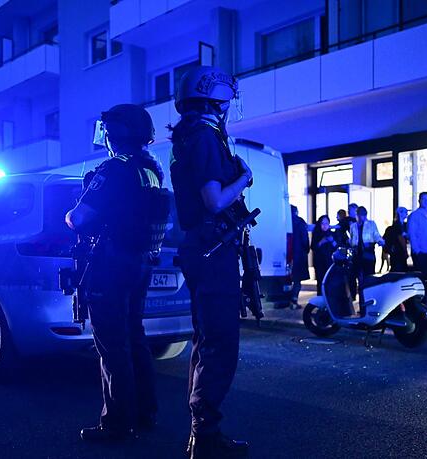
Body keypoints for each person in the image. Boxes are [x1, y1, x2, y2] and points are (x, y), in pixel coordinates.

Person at [65, 104, 170, 442]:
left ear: (114, 135)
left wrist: (72, 209)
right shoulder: (151, 169)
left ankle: (116, 423)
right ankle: (145, 413)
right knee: (134, 338)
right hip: (139, 262)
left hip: (110, 264)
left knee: (111, 345)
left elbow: (78, 219)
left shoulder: (113, 169)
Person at [168, 65, 249, 458]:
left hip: (203, 249)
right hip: (212, 250)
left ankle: (204, 433)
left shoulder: (190, 136)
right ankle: (205, 438)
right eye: (228, 99)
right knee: (219, 344)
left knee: (206, 343)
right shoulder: (204, 138)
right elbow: (215, 200)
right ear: (216, 98)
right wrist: (244, 179)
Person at [407, 192, 427, 306]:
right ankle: (421, 300)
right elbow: (412, 233)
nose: (426, 201)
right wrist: (417, 250)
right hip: (421, 251)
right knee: (421, 275)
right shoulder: (415, 215)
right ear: (419, 200)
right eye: (424, 199)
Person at [349, 206, 384, 307]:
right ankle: (362, 304)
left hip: (368, 254)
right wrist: (351, 243)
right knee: (360, 280)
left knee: (369, 279)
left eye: (363, 215)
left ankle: (368, 303)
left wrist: (380, 241)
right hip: (357, 255)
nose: (361, 217)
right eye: (359, 215)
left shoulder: (371, 224)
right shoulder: (353, 226)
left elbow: (376, 235)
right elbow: (352, 239)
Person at [289, 205, 310, 309]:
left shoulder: (286, 222)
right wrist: (307, 249)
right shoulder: (300, 223)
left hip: (288, 254)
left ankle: (290, 300)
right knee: (297, 281)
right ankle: (293, 300)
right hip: (299, 255)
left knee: (290, 279)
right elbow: (304, 239)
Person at [312, 215, 337, 296]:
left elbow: (337, 247)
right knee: (320, 281)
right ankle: (321, 301)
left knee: (329, 282)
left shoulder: (332, 234)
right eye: (322, 223)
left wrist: (332, 240)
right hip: (319, 262)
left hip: (330, 262)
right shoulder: (316, 234)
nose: (324, 225)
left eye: (326, 223)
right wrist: (321, 242)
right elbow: (313, 247)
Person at [382, 207, 409, 272]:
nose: (407, 214)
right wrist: (405, 251)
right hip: (398, 253)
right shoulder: (398, 226)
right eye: (405, 212)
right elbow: (401, 238)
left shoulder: (401, 225)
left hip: (396, 253)